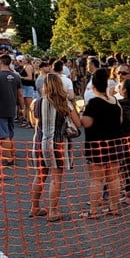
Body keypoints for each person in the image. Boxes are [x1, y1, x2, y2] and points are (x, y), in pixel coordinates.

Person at [30, 73, 82, 223]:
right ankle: (53, 211)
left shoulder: (37, 102)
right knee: (56, 177)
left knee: (39, 175)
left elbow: (34, 122)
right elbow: (77, 124)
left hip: (39, 142)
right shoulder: (64, 103)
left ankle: (34, 207)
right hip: (58, 143)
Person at [80, 67, 124, 219]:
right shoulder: (115, 102)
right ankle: (114, 207)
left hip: (96, 145)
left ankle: (93, 211)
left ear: (93, 86)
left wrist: (81, 113)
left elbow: (85, 123)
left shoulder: (93, 103)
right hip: (115, 143)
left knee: (96, 179)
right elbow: (120, 121)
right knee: (113, 177)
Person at [0, 53, 23, 166]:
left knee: (3, 135)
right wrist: (22, 108)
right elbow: (20, 94)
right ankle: (12, 153)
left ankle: (9, 158)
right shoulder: (16, 76)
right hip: (11, 108)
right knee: (10, 133)